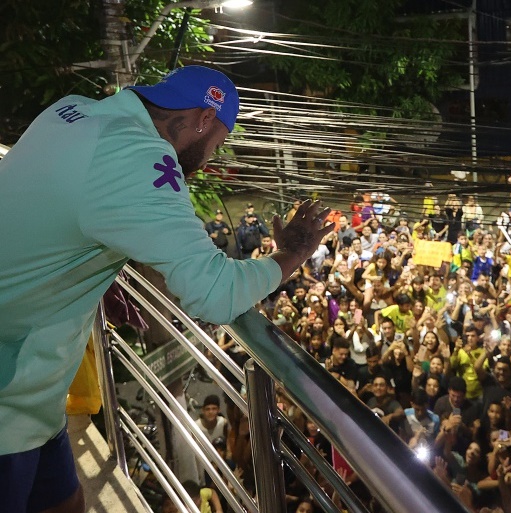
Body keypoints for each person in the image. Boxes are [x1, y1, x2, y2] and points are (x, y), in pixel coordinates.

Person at [0, 65, 334, 513]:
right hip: (9, 395)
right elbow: (213, 292)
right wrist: (291, 255)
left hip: (35, 388)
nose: (211, 158)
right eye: (217, 143)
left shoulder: (73, 110)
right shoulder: (141, 157)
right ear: (202, 119)